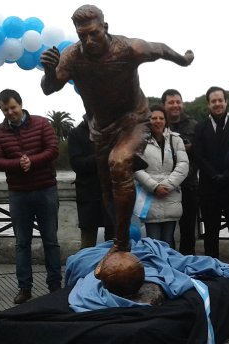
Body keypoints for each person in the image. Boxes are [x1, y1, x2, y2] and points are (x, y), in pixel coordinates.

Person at [40, 5, 193, 256]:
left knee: (119, 163)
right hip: (100, 129)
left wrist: (183, 59)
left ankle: (121, 244)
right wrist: (49, 70)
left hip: (134, 120)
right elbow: (49, 88)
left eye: (93, 33)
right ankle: (121, 240)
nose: (88, 40)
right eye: (82, 36)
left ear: (105, 28)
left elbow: (160, 49)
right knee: (107, 193)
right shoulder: (72, 56)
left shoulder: (128, 48)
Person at [0, 89, 61, 304]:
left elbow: (53, 150)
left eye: (13, 107)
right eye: (5, 109)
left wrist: (32, 160)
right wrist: (18, 164)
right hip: (19, 193)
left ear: (21, 104)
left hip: (46, 189)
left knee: (51, 240)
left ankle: (55, 285)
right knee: (22, 242)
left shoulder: (41, 123)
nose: (10, 112)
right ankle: (24, 288)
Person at [194, 86, 229, 266]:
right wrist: (214, 175)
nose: (217, 104)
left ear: (226, 102)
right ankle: (212, 267)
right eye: (213, 101)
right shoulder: (200, 128)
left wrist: (228, 175)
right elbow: (198, 156)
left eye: (220, 100)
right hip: (209, 187)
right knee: (211, 231)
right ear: (208, 104)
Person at [134, 105, 189, 244]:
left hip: (170, 195)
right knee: (154, 242)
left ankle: (169, 266)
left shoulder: (176, 139)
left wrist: (167, 185)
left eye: (161, 118)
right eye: (154, 118)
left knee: (169, 241)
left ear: (166, 121)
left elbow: (183, 165)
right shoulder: (140, 141)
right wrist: (154, 186)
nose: (157, 121)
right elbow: (135, 167)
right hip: (149, 197)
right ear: (148, 120)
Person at [162, 89, 199, 255]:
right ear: (164, 105)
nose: (175, 105)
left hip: (188, 184)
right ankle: (168, 262)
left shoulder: (194, 126)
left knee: (188, 229)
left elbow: (201, 155)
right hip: (165, 186)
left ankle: (188, 261)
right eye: (171, 102)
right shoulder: (158, 124)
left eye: (178, 102)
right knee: (165, 229)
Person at [69, 114, 114, 248]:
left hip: (111, 193)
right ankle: (85, 268)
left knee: (114, 241)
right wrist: (101, 156)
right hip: (87, 194)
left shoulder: (114, 132)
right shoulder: (76, 133)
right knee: (88, 241)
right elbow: (77, 164)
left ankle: (112, 268)